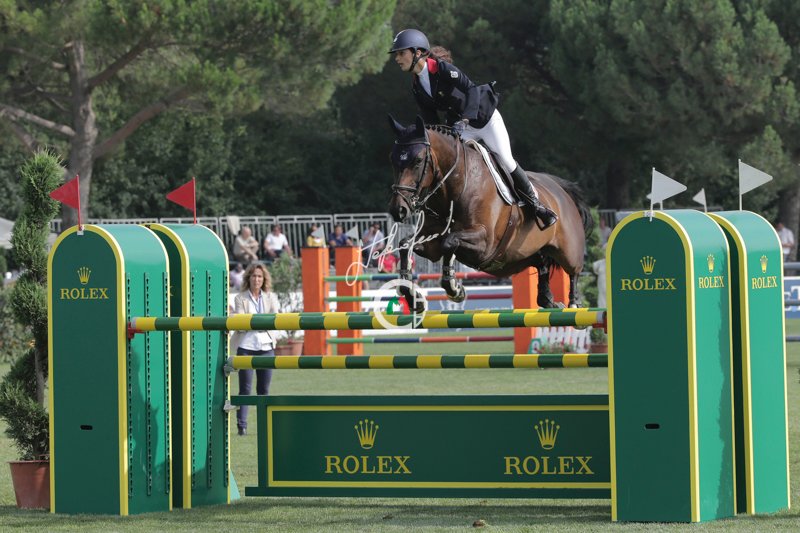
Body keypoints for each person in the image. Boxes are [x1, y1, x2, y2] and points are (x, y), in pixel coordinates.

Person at [389, 29, 557, 228]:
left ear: (417, 52)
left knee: (505, 159)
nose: (397, 59)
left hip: (484, 119)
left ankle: (537, 205)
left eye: (401, 53)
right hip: (460, 126)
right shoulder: (417, 86)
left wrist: (466, 119)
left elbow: (471, 89)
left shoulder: (442, 69)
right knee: (450, 163)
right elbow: (431, 119)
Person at [230, 263, 280, 436]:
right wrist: (258, 322)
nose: (256, 279)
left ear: (264, 279)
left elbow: (275, 320)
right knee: (245, 389)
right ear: (248, 278)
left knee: (264, 390)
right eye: (253, 276)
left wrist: (254, 322)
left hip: (266, 346)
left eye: (259, 276)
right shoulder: (240, 298)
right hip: (246, 345)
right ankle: (242, 425)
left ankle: (264, 424)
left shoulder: (271, 297)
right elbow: (241, 324)